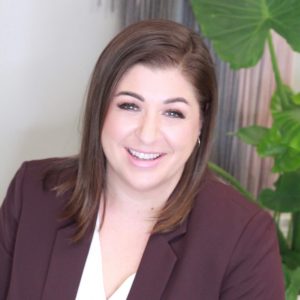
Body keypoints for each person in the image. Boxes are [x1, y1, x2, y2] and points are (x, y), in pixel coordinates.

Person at [0, 19, 285, 300]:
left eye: (173, 113)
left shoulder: (244, 237)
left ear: (200, 123)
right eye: (130, 105)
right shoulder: (33, 192)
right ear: (100, 110)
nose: (147, 134)